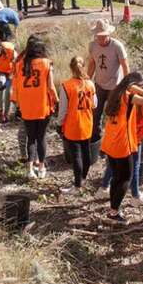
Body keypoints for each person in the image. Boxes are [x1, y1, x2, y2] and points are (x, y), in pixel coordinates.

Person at [101, 72, 143, 224]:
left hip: (110, 142)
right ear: (132, 86)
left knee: (117, 177)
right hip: (122, 144)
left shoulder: (116, 92)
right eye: (140, 87)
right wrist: (135, 88)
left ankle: (113, 208)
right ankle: (113, 213)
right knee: (125, 178)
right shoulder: (129, 96)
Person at [13, 38, 57, 179]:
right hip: (43, 106)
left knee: (31, 138)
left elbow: (16, 87)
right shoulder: (46, 63)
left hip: (27, 108)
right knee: (41, 137)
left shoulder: (20, 64)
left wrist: (18, 104)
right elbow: (50, 86)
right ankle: (42, 167)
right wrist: (57, 100)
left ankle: (30, 169)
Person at [87, 19, 130, 153]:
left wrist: (126, 84)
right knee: (95, 113)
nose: (101, 39)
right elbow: (92, 63)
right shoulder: (92, 45)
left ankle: (111, 144)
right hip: (99, 85)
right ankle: (96, 141)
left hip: (115, 86)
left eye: (103, 36)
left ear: (109, 35)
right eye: (98, 36)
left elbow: (125, 65)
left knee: (112, 116)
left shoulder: (117, 46)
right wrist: (87, 80)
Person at [58, 56, 96, 193]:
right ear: (83, 67)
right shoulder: (90, 84)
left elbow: (62, 110)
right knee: (86, 153)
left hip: (73, 125)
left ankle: (77, 186)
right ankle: (83, 178)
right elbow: (95, 104)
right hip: (87, 123)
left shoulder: (66, 85)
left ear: (71, 68)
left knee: (76, 156)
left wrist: (59, 124)